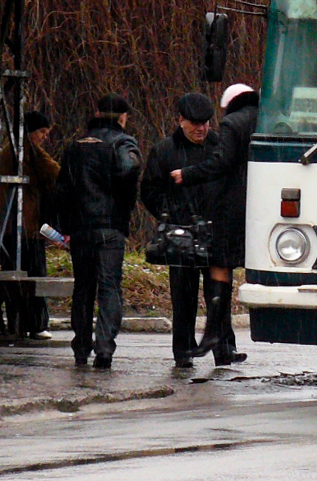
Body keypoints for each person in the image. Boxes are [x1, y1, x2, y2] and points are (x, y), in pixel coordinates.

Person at [140, 93, 233, 368]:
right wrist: (169, 216)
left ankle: (224, 350)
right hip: (181, 233)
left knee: (219, 294)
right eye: (194, 123)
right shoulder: (164, 150)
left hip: (216, 231)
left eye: (205, 122)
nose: (200, 128)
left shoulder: (219, 146)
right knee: (183, 297)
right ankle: (183, 352)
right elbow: (149, 190)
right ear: (179, 120)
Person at [171, 83, 257, 363]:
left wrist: (189, 174)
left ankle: (213, 334)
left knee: (218, 267)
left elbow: (223, 162)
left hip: (226, 212)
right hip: (255, 206)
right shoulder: (266, 117)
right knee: (222, 270)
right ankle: (220, 339)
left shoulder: (233, 124)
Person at [54, 94, 141, 369]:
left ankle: (81, 347)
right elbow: (130, 170)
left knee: (83, 289)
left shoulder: (74, 147)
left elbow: (62, 190)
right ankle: (104, 349)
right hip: (110, 228)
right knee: (109, 287)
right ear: (123, 117)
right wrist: (123, 203)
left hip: (80, 229)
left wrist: (66, 226)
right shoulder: (122, 142)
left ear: (97, 112)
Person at [0, 110, 60, 339]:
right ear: (31, 132)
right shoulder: (29, 152)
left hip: (9, 225)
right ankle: (35, 323)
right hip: (25, 226)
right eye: (42, 132)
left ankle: (16, 321)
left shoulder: (10, 150)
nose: (44, 137)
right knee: (34, 274)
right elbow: (56, 173)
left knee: (13, 274)